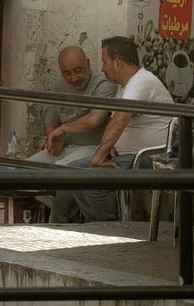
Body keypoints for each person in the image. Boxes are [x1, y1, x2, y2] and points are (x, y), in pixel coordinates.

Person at [52, 35, 174, 223]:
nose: (102, 68)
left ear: (117, 63)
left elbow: (120, 119)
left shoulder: (140, 82)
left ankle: (110, 227)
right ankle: (96, 225)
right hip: (129, 156)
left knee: (93, 177)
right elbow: (120, 123)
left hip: (151, 158)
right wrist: (110, 147)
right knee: (73, 172)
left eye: (104, 61)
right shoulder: (124, 87)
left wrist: (99, 156)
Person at [28, 45, 117, 167]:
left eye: (78, 70)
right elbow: (51, 123)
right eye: (67, 73)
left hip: (92, 149)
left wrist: (63, 129)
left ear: (88, 63)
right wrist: (53, 142)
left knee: (56, 171)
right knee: (18, 169)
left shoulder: (104, 85)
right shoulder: (59, 86)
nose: (74, 78)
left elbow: (94, 120)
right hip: (64, 148)